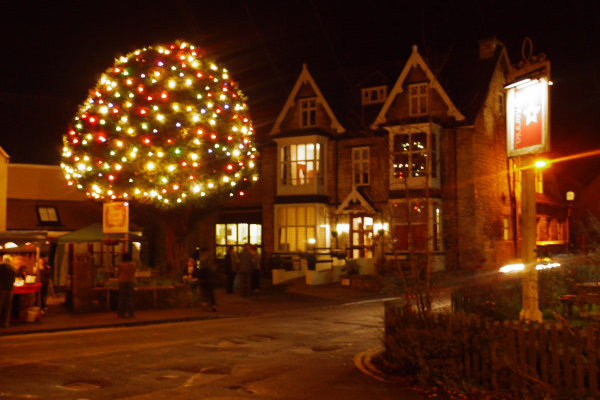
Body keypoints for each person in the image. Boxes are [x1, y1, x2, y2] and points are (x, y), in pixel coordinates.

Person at [117, 253, 136, 318]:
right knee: (130, 299)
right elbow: (134, 272)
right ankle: (131, 314)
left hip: (122, 282)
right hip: (131, 282)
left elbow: (118, 273)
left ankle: (121, 314)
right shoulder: (133, 265)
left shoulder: (121, 265)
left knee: (122, 299)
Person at [0, 255, 16, 328]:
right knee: (7, 307)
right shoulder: (13, 268)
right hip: (10, 289)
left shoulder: (1, 266)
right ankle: (6, 323)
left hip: (1, 289)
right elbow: (13, 280)